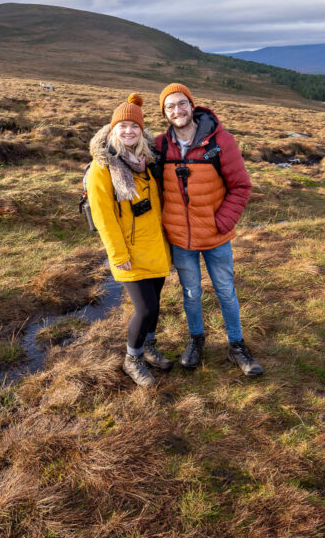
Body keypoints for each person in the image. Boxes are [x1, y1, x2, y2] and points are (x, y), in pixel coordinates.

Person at [155, 83, 264, 376]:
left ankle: (237, 346)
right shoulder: (160, 146)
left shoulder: (220, 141)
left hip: (216, 237)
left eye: (181, 104)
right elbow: (124, 151)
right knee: (190, 293)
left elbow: (241, 186)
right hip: (180, 239)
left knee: (226, 292)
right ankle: (196, 340)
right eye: (170, 107)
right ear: (164, 113)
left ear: (192, 106)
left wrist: (222, 223)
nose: (177, 110)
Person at [86, 93, 173, 387]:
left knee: (156, 303)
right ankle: (132, 359)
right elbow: (103, 217)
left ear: (142, 130)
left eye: (134, 126)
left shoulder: (147, 161)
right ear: (113, 130)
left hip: (156, 248)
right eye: (122, 126)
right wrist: (117, 253)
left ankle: (148, 347)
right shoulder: (102, 168)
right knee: (145, 308)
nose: (128, 131)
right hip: (128, 252)